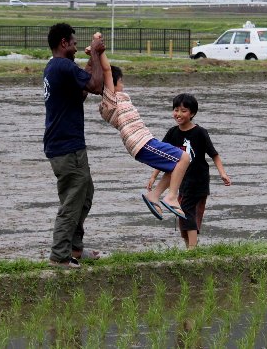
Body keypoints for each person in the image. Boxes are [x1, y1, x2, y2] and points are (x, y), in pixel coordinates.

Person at [89, 35, 189, 220]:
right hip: (141, 142)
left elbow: (101, 72)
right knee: (183, 158)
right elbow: (106, 70)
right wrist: (99, 49)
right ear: (113, 84)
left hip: (142, 143)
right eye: (121, 81)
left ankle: (154, 195)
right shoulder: (110, 101)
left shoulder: (111, 102)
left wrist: (93, 55)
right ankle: (172, 197)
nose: (123, 84)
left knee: (173, 166)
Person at [43, 23, 105, 269]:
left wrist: (91, 62)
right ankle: (60, 256)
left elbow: (81, 91)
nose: (78, 46)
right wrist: (98, 55)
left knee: (85, 194)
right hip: (67, 147)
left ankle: (75, 249)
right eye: (74, 42)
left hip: (66, 144)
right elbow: (96, 86)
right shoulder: (63, 66)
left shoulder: (55, 67)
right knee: (72, 200)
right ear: (63, 43)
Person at [147, 93, 231, 249]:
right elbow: (162, 157)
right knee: (181, 214)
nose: (178, 114)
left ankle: (192, 249)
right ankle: (189, 247)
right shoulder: (172, 133)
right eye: (176, 110)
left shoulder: (200, 133)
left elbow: (214, 154)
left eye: (184, 110)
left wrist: (222, 173)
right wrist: (153, 177)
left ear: (192, 113)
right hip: (181, 182)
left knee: (187, 211)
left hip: (198, 180)